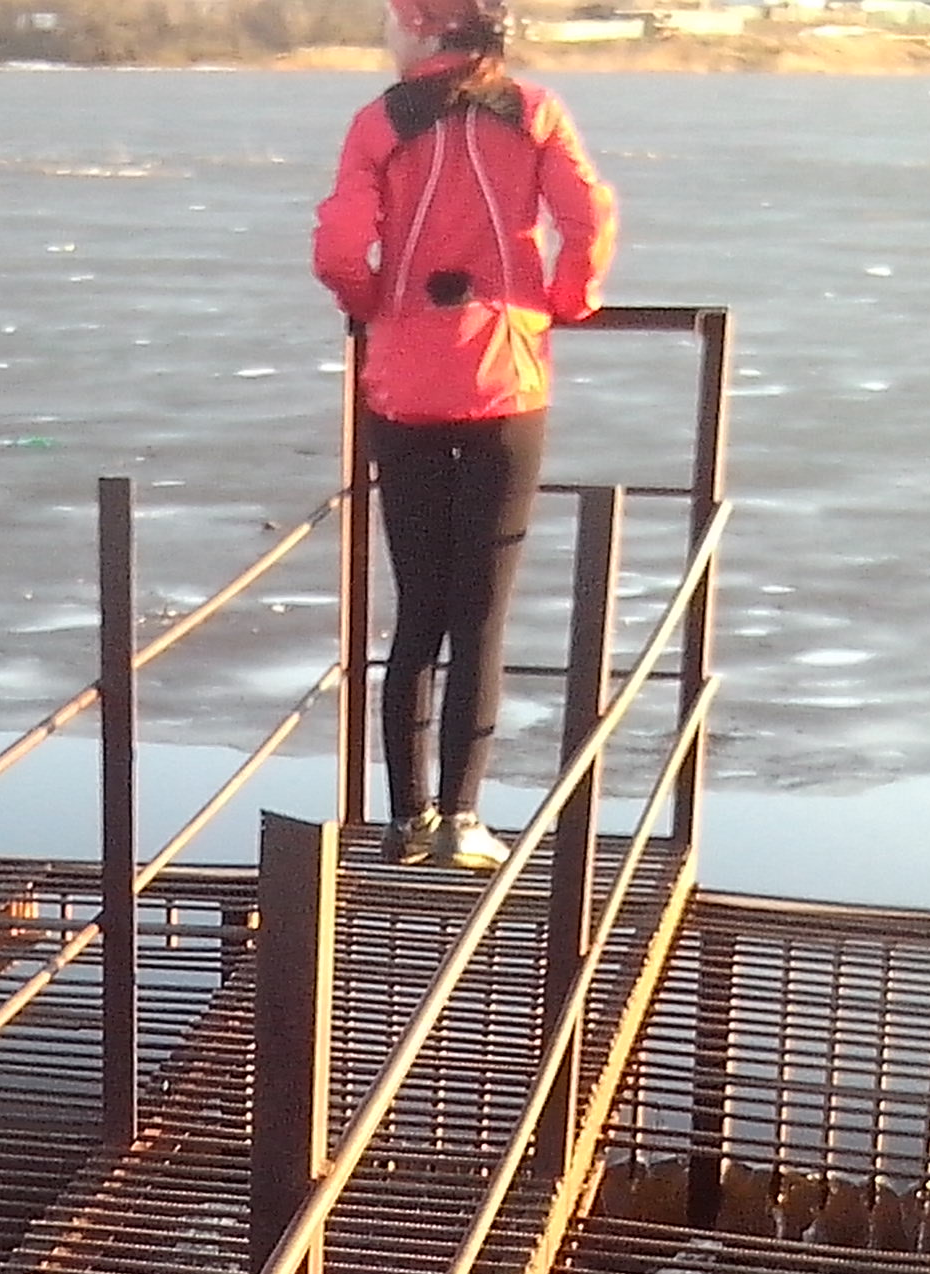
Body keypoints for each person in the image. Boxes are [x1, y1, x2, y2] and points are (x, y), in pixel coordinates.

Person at [312, 0, 618, 871]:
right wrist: (569, 302)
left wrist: (375, 305)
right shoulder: (533, 111)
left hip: (404, 384)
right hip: (504, 380)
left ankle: (405, 820)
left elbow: (340, 249)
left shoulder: (380, 122)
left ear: (422, 31)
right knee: (481, 615)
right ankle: (464, 819)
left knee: (418, 611)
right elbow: (588, 219)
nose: (386, 34)